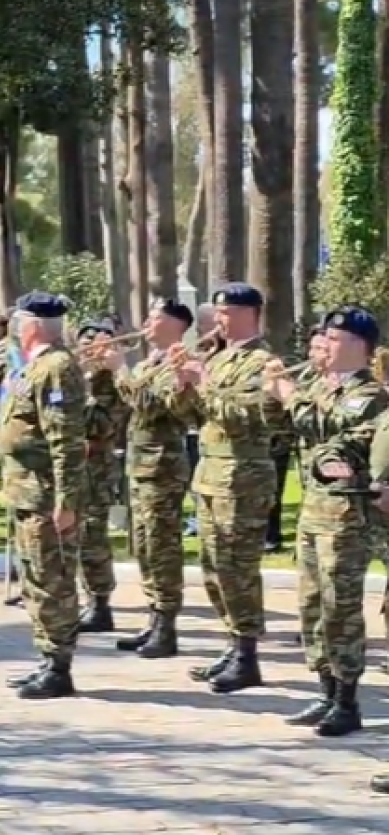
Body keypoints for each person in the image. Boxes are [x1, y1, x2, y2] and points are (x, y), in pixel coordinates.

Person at [268, 307, 388, 737]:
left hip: (346, 517)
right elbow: (284, 431)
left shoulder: (369, 394)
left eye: (335, 339)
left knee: (340, 607)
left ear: (359, 345)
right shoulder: (320, 386)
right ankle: (326, 689)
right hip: (314, 512)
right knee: (312, 605)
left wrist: (288, 393)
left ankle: (347, 699)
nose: (325, 345)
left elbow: (329, 434)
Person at [168, 283, 280, 694]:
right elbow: (189, 416)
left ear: (250, 314)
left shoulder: (262, 363)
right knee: (214, 568)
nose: (218, 320)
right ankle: (233, 644)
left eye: (227, 312)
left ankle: (247, 653)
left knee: (238, 569)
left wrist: (203, 381)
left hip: (243, 479)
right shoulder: (217, 358)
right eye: (217, 312)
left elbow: (243, 416)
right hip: (212, 476)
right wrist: (182, 382)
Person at [0, 292, 86, 699]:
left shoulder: (56, 368)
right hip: (27, 493)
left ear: (33, 325)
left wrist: (66, 501)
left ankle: (59, 666)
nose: (15, 328)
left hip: (46, 496)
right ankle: (48, 659)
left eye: (19, 321)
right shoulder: (34, 366)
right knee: (35, 580)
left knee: (53, 581)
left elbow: (65, 440)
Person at [100, 298, 194, 658]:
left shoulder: (178, 363)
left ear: (175, 325)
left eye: (154, 318)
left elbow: (149, 404)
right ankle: (154, 618)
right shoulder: (148, 363)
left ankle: (166, 625)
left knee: (161, 546)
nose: (146, 324)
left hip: (162, 469)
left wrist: (119, 369)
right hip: (140, 466)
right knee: (142, 546)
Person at [74, 319, 126, 633]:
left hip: (96, 467)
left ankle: (100, 603)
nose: (86, 352)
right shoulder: (75, 379)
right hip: (73, 466)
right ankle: (85, 596)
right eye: (83, 345)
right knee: (75, 535)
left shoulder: (108, 383)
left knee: (92, 536)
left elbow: (101, 425)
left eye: (92, 347)